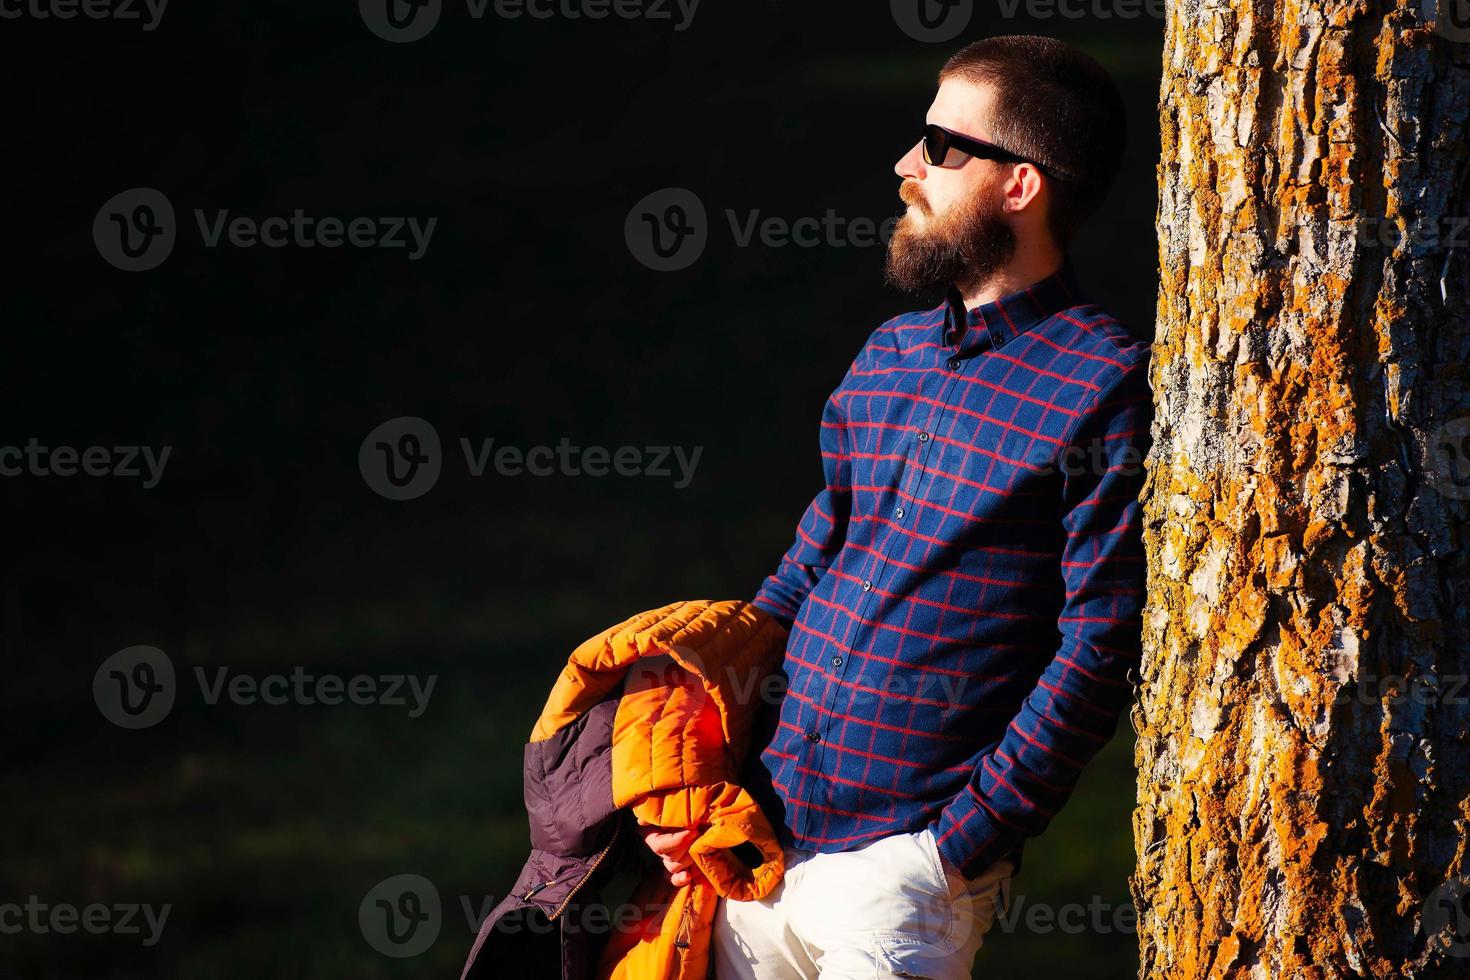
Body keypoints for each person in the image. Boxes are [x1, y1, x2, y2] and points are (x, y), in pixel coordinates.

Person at [642, 34, 1150, 979]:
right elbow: (804, 571)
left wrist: (952, 850)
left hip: (902, 885)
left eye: (942, 146)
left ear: (1021, 185)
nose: (906, 166)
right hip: (757, 849)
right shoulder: (889, 354)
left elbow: (1099, 647)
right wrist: (706, 775)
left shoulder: (1103, 382)